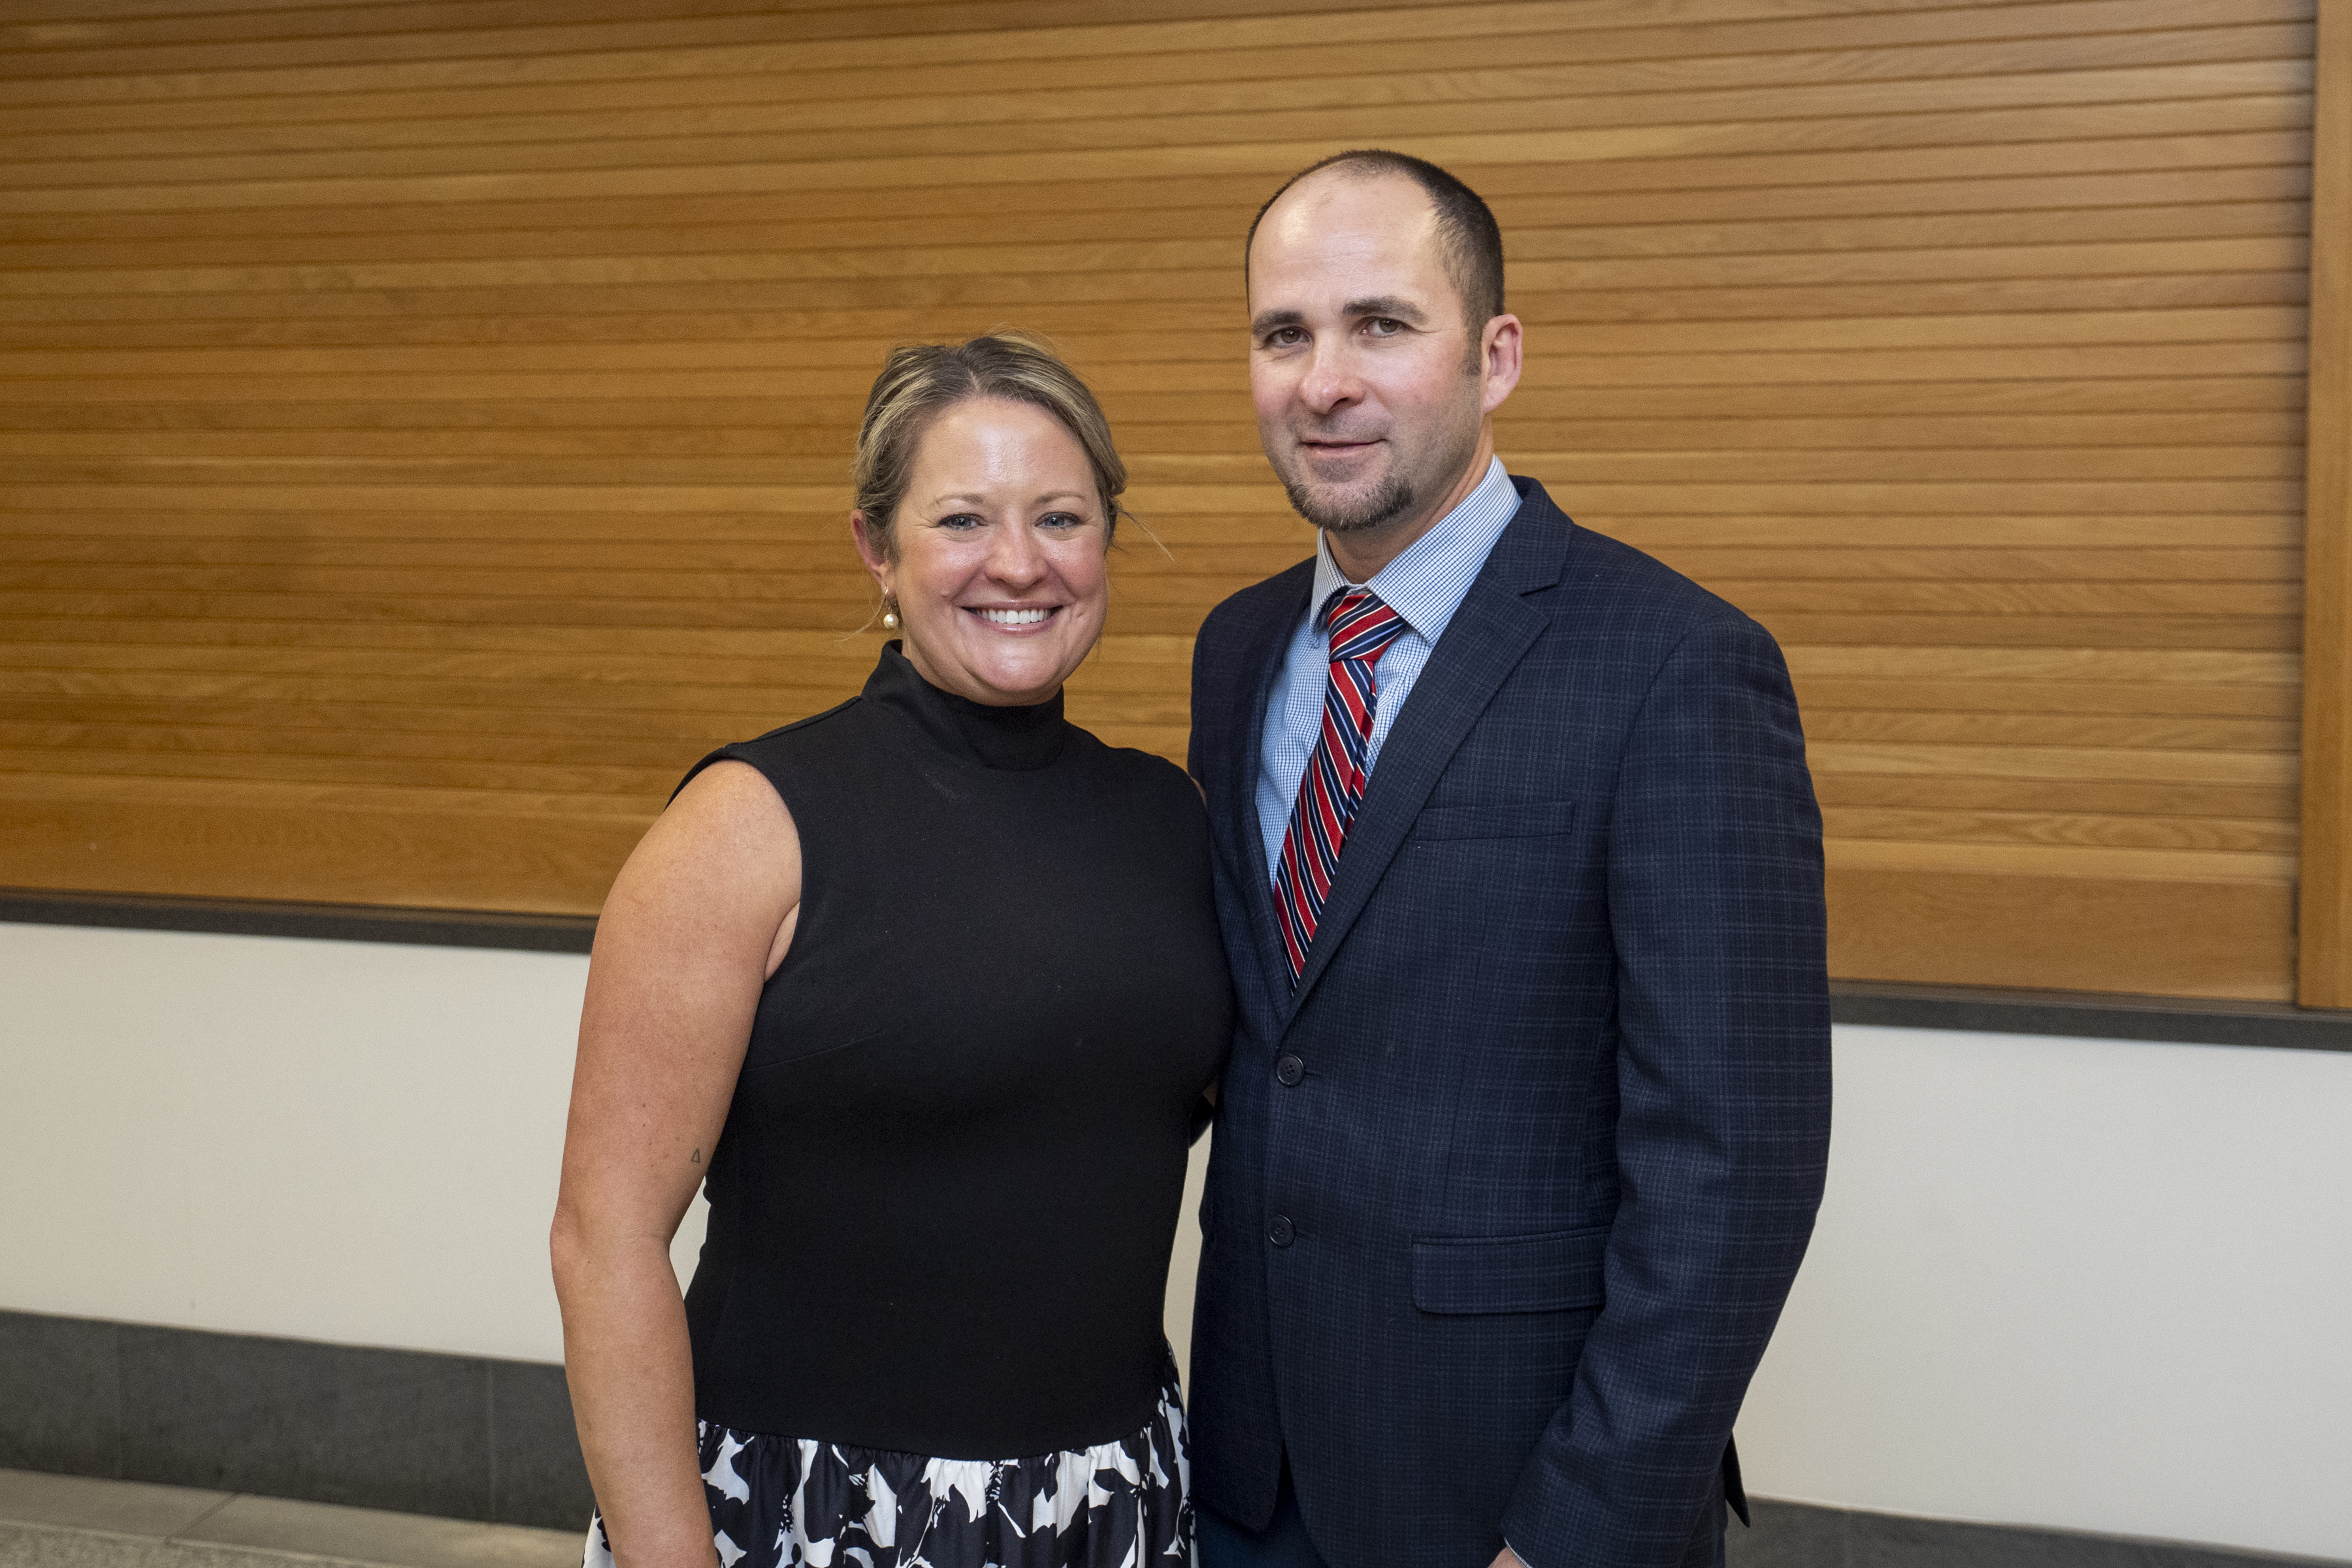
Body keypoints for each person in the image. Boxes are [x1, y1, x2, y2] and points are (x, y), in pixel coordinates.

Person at [1184, 150, 1833, 1568]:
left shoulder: (1677, 665)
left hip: (1515, 1494)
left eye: (1382, 324)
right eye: (1283, 333)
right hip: (1248, 1470)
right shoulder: (1235, 652)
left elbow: (1736, 1159)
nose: (1324, 380)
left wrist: (1584, 1528)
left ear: (1497, 355)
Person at [551, 333, 1230, 1568]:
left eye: (1062, 517)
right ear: (877, 547)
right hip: (808, 1517)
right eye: (963, 519)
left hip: (1114, 1509)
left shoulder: (1171, 819)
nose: (1018, 563)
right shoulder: (749, 825)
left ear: (1106, 541)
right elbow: (606, 1240)